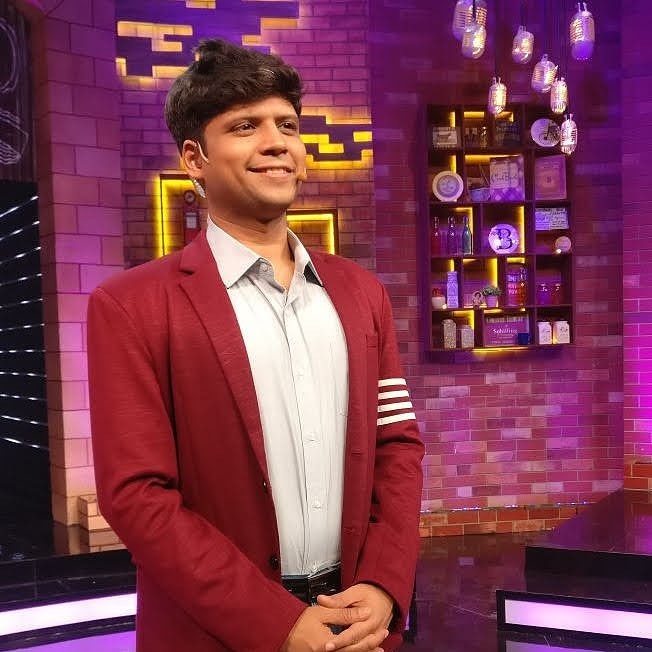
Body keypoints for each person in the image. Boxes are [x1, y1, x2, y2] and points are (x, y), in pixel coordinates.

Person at [87, 39, 424, 652]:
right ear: (194, 158)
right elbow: (137, 496)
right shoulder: (131, 306)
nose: (277, 143)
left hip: (355, 621)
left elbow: (396, 446)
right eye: (246, 126)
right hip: (216, 631)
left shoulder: (361, 293)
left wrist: (383, 585)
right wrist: (276, 623)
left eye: (287, 125)